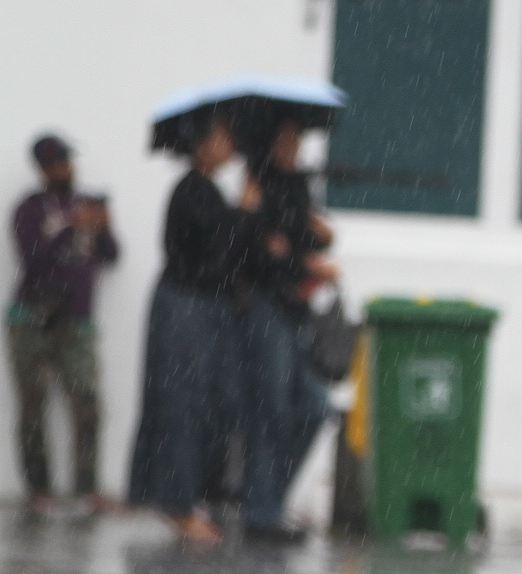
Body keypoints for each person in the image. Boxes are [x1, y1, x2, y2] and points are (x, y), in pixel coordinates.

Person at [128, 111, 260, 544]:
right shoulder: (190, 190)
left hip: (207, 310)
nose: (229, 141)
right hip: (183, 308)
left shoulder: (208, 190)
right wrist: (244, 212)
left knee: (213, 405)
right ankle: (178, 503)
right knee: (180, 402)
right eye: (221, 135)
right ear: (201, 144)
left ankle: (194, 497)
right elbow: (215, 243)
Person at [239, 114, 336, 540]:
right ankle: (261, 510)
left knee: (315, 406)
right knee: (270, 408)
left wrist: (316, 240)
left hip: (296, 308)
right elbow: (261, 252)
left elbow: (298, 237)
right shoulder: (256, 184)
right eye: (286, 137)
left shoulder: (297, 185)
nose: (293, 146)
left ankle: (268, 498)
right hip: (265, 308)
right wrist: (299, 255)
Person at [11, 135, 119, 514]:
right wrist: (71, 226)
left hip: (78, 321)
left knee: (88, 403)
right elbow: (34, 259)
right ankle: (38, 488)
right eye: (56, 163)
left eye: (67, 161)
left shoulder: (87, 203)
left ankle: (86, 490)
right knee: (33, 405)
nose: (65, 169)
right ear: (42, 169)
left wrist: (103, 225)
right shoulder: (29, 209)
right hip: (32, 320)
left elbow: (110, 255)